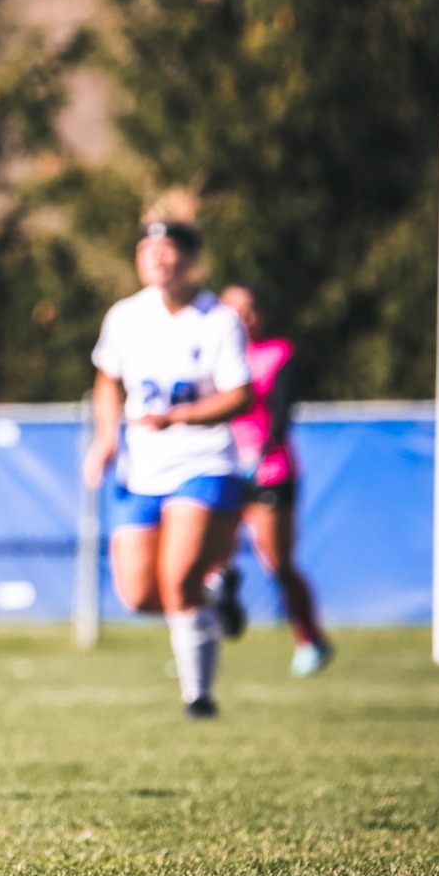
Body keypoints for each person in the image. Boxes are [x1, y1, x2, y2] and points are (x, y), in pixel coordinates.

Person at [83, 213, 252, 719]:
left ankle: (197, 695)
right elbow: (107, 380)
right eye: (146, 249)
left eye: (168, 248)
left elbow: (240, 395)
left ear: (191, 258)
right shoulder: (124, 317)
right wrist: (107, 438)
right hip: (142, 470)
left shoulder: (218, 320)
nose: (156, 256)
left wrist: (181, 417)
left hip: (202, 464)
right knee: (137, 594)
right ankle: (215, 597)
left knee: (178, 578)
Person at [211, 284, 333, 676]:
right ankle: (198, 642)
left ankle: (310, 638)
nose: (242, 320)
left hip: (270, 472)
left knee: (277, 563)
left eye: (249, 310)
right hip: (221, 468)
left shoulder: (278, 354)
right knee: (209, 563)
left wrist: (259, 454)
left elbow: (280, 414)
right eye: (233, 311)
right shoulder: (213, 355)